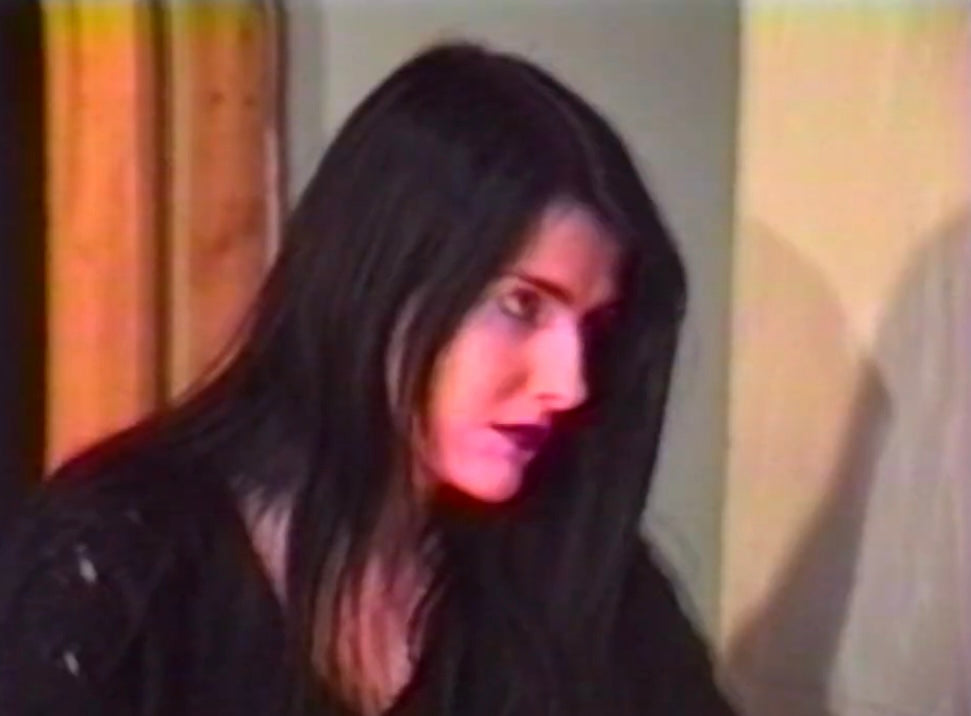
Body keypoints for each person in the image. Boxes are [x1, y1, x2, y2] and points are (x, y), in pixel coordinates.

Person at [0, 42, 736, 715]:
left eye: (593, 327)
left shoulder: (580, 580)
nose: (569, 384)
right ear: (381, 279)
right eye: (521, 306)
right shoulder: (120, 563)